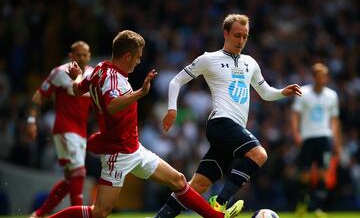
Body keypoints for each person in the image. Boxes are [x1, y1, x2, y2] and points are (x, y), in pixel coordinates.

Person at [47, 30, 244, 218]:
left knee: (178, 180)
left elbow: (78, 88)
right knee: (99, 212)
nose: (139, 61)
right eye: (137, 56)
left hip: (134, 148)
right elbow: (112, 106)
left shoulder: (100, 69)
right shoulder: (112, 78)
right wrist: (140, 93)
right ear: (127, 56)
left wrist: (78, 75)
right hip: (118, 153)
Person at [155, 13, 302, 218]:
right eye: (237, 35)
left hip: (230, 132)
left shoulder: (250, 63)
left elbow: (266, 93)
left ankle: (159, 217)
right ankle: (221, 203)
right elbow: (175, 81)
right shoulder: (209, 59)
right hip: (221, 122)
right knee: (259, 154)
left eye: (245, 36)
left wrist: (281, 93)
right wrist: (172, 109)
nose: (241, 41)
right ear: (226, 34)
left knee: (198, 185)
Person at [26, 41, 93, 218]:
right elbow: (40, 93)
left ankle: (38, 214)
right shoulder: (59, 72)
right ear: (71, 56)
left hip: (81, 132)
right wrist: (31, 120)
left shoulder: (93, 75)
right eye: (77, 55)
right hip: (65, 129)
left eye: (84, 55)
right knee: (79, 172)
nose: (81, 58)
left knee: (70, 179)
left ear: (89, 56)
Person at [291, 63, 342, 218]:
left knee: (323, 174)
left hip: (324, 137)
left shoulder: (332, 95)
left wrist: (336, 141)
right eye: (319, 75)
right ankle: (302, 203)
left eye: (324, 75)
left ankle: (317, 209)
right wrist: (296, 134)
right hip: (307, 138)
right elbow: (295, 115)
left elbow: (334, 120)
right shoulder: (304, 92)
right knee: (305, 175)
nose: (322, 78)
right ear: (314, 77)